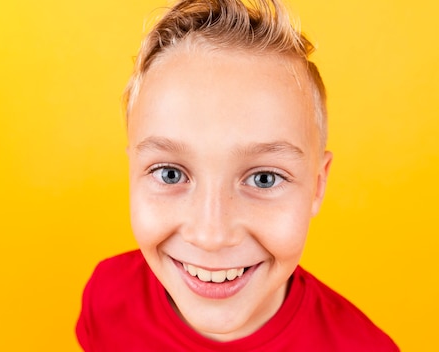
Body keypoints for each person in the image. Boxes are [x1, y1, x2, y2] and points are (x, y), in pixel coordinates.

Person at [76, 0, 399, 350]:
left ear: (317, 186)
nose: (211, 235)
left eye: (264, 178)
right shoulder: (107, 298)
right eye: (169, 174)